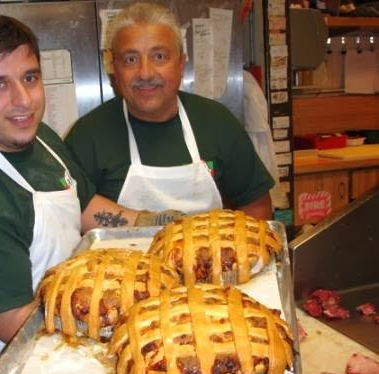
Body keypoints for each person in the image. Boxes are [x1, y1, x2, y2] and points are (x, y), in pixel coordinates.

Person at [0, 14, 179, 374]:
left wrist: (157, 226)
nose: (23, 100)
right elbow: (20, 327)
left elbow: (84, 204)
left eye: (30, 78)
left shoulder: (38, 138)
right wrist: (145, 333)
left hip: (57, 323)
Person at [65, 2, 275, 220]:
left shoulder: (218, 124)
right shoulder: (88, 136)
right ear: (115, 69)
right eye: (130, 59)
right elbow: (69, 215)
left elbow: (256, 207)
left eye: (159, 57)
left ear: (181, 64)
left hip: (204, 252)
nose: (145, 73)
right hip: (122, 254)